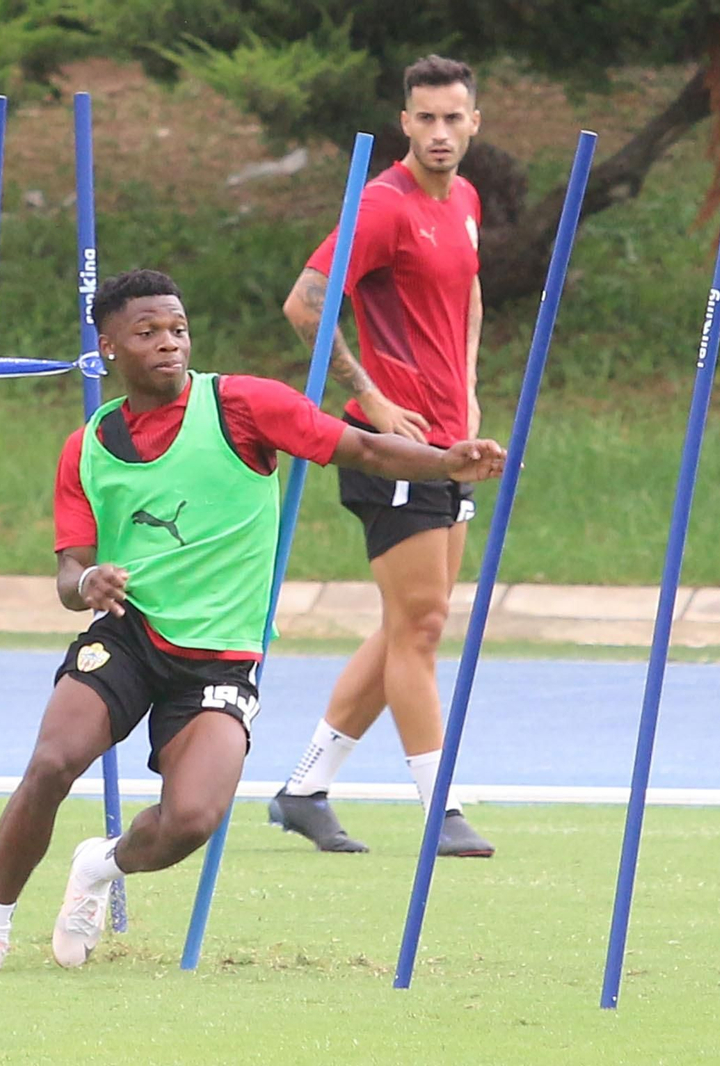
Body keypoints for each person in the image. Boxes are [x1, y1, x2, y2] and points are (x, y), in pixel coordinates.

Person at [0, 268, 506, 974]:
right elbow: (68, 573)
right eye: (146, 333)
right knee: (53, 761)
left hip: (219, 659)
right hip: (128, 632)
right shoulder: (87, 447)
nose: (168, 344)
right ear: (109, 345)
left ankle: (98, 865)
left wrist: (444, 461)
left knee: (191, 821)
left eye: (177, 330)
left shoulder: (241, 404)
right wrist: (89, 580)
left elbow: (357, 447)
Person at [270, 55, 496, 857]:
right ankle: (441, 805)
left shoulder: (464, 200)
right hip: (391, 448)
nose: (440, 132)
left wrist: (466, 396)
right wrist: (374, 396)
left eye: (453, 118)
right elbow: (304, 302)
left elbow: (466, 297)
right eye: (425, 118)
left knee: (411, 623)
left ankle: (303, 789)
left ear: (474, 122)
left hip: (452, 443)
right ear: (405, 123)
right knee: (425, 625)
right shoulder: (383, 205)